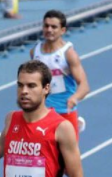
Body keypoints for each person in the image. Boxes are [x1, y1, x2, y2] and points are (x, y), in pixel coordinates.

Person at [30, 10, 90, 140]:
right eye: (46, 26)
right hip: (42, 113)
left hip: (64, 112)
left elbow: (84, 86)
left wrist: (74, 98)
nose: (49, 30)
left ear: (62, 30)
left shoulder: (68, 54)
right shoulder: (35, 52)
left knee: (67, 157)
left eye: (54, 27)